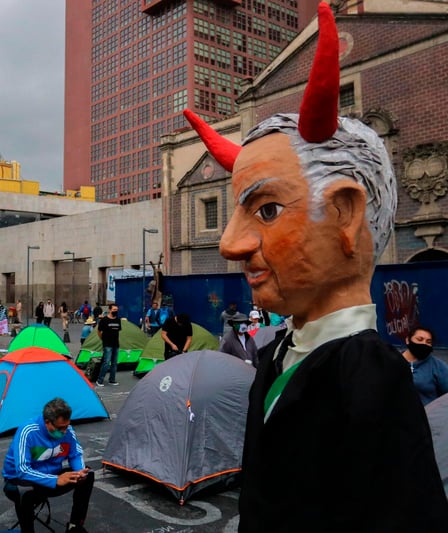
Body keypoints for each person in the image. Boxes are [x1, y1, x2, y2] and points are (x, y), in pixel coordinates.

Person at [184, 5, 448, 529]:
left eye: (267, 210)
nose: (232, 243)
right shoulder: (280, 348)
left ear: (346, 213)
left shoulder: (373, 375)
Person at [2, 398, 94, 533]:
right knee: (24, 492)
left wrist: (79, 472)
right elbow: (22, 470)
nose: (64, 432)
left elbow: (75, 454)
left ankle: (75, 526)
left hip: (51, 476)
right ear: (47, 422)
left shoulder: (68, 431)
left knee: (88, 475)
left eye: (67, 426)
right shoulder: (27, 431)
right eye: (60, 428)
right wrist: (56, 480)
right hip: (19, 480)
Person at [401, 326, 448, 405]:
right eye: (419, 339)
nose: (424, 343)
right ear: (407, 340)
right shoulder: (392, 361)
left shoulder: (437, 366)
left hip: (428, 414)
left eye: (428, 342)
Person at [96, 304, 121, 387]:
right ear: (110, 310)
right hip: (107, 344)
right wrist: (103, 339)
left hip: (116, 344)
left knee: (114, 363)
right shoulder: (104, 320)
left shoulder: (118, 320)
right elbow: (99, 331)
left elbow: (118, 331)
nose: (115, 311)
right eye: (114, 309)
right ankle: (100, 380)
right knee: (106, 363)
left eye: (116, 309)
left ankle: (112, 379)